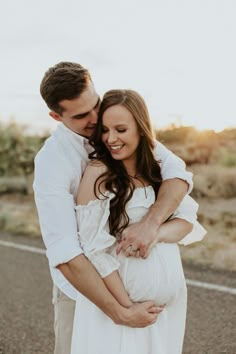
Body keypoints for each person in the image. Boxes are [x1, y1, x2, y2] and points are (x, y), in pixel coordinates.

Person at [33, 62, 198, 354]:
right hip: (85, 293)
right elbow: (66, 252)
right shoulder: (53, 162)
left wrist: (151, 227)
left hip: (155, 313)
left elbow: (178, 175)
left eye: (96, 104)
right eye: (82, 115)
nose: (97, 120)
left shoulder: (121, 128)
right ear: (56, 116)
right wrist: (120, 311)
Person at [70, 89, 206, 354]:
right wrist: (127, 309)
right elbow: (94, 250)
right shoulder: (99, 173)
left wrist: (154, 233)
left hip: (164, 314)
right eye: (106, 130)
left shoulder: (157, 172)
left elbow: (187, 222)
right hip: (122, 313)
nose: (111, 139)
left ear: (142, 129)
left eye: (121, 129)